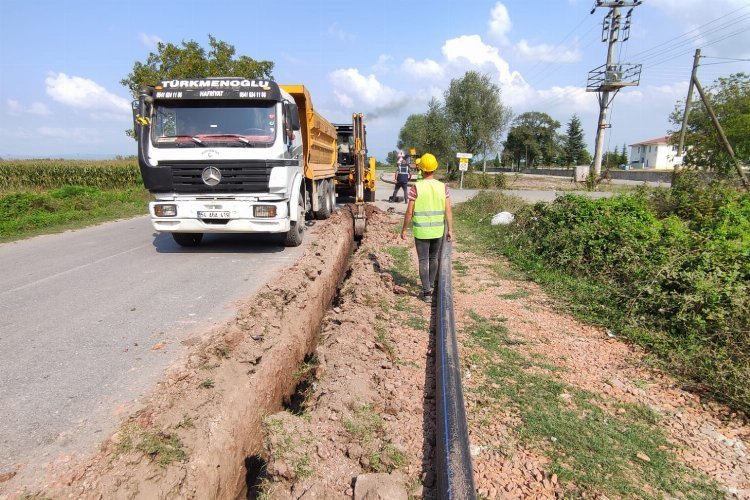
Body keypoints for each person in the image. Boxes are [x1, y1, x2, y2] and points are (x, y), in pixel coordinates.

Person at [400, 153, 454, 303]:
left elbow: (409, 211)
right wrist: (450, 230)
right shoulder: (443, 187)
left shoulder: (416, 188)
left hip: (421, 231)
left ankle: (427, 292)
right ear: (435, 168)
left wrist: (404, 229)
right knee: (434, 258)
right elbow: (448, 210)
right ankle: (431, 286)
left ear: (421, 169)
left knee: (423, 260)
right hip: (438, 231)